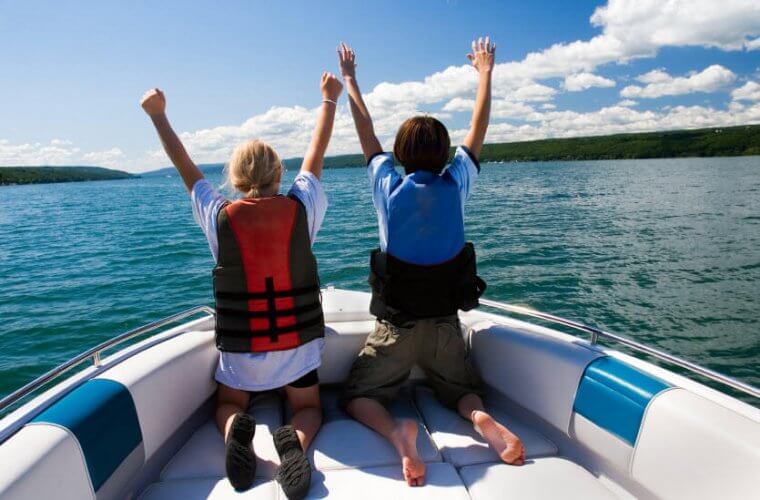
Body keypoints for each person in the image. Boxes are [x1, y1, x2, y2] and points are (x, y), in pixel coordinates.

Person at [139, 71, 343, 499]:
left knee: (230, 403)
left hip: (242, 352)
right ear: (279, 174)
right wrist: (328, 99)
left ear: (232, 178)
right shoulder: (302, 208)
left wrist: (159, 117)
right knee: (308, 408)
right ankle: (296, 445)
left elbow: (186, 168)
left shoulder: (218, 216)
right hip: (298, 345)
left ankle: (236, 430)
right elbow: (317, 153)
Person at [337, 38, 525, 487]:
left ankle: (399, 436)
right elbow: (478, 128)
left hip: (395, 331)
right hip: (444, 330)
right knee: (462, 392)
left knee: (355, 397)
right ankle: (480, 418)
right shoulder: (457, 181)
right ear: (446, 155)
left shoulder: (387, 185)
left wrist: (350, 80)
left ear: (399, 154)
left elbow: (365, 131)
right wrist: (484, 73)